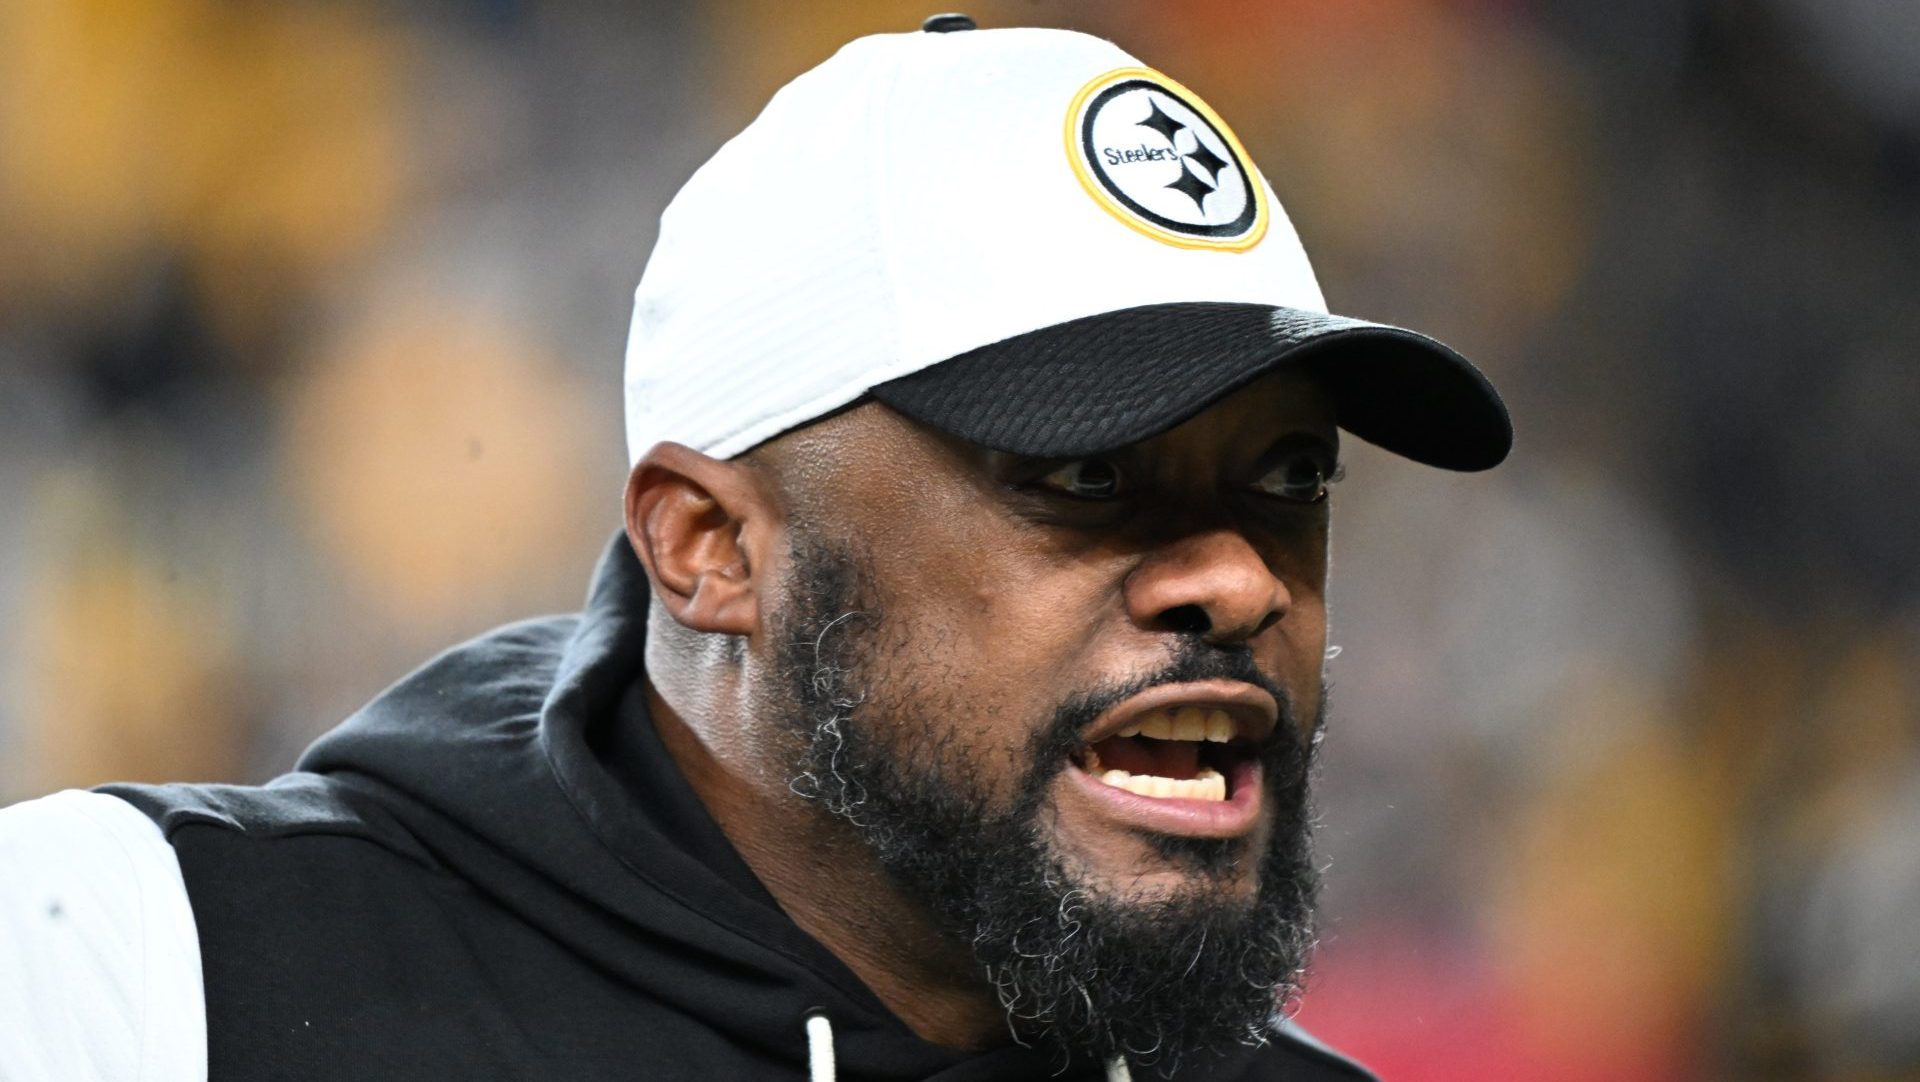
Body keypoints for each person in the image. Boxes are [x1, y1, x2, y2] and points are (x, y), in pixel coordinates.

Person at [0, 16, 1510, 1081]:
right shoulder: (144, 974)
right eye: (1087, 473)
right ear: (710, 548)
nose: (1240, 579)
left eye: (1289, 476)